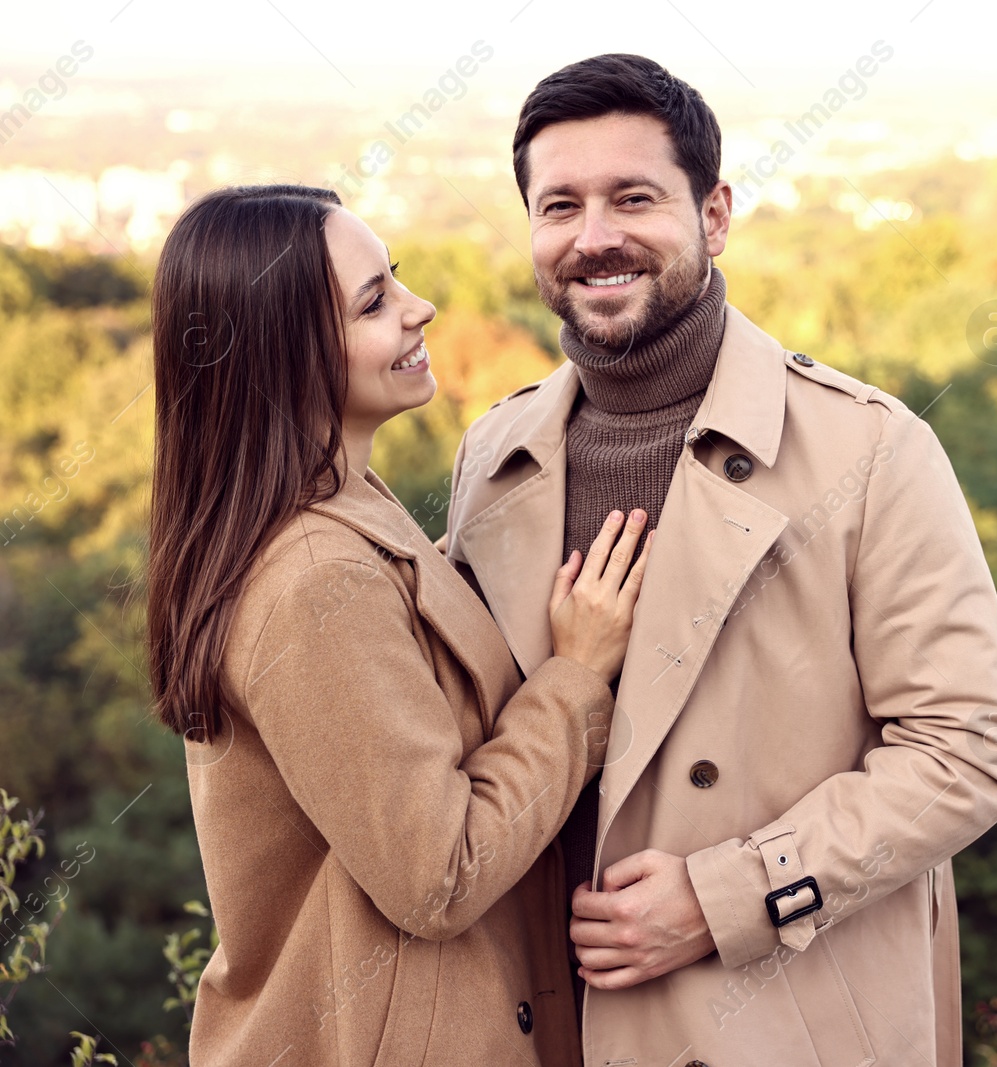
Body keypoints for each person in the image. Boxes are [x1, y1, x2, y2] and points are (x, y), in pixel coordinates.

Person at [443, 56, 997, 1065]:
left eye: (634, 198)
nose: (594, 237)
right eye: (560, 206)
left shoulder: (868, 450)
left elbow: (966, 748)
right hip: (538, 1027)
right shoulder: (492, 457)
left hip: (777, 1022)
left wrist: (728, 895)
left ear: (713, 216)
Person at [145, 183, 649, 1066]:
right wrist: (576, 677)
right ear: (281, 354)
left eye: (397, 281)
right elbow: (439, 874)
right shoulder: (314, 581)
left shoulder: (346, 510)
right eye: (374, 303)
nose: (420, 311)